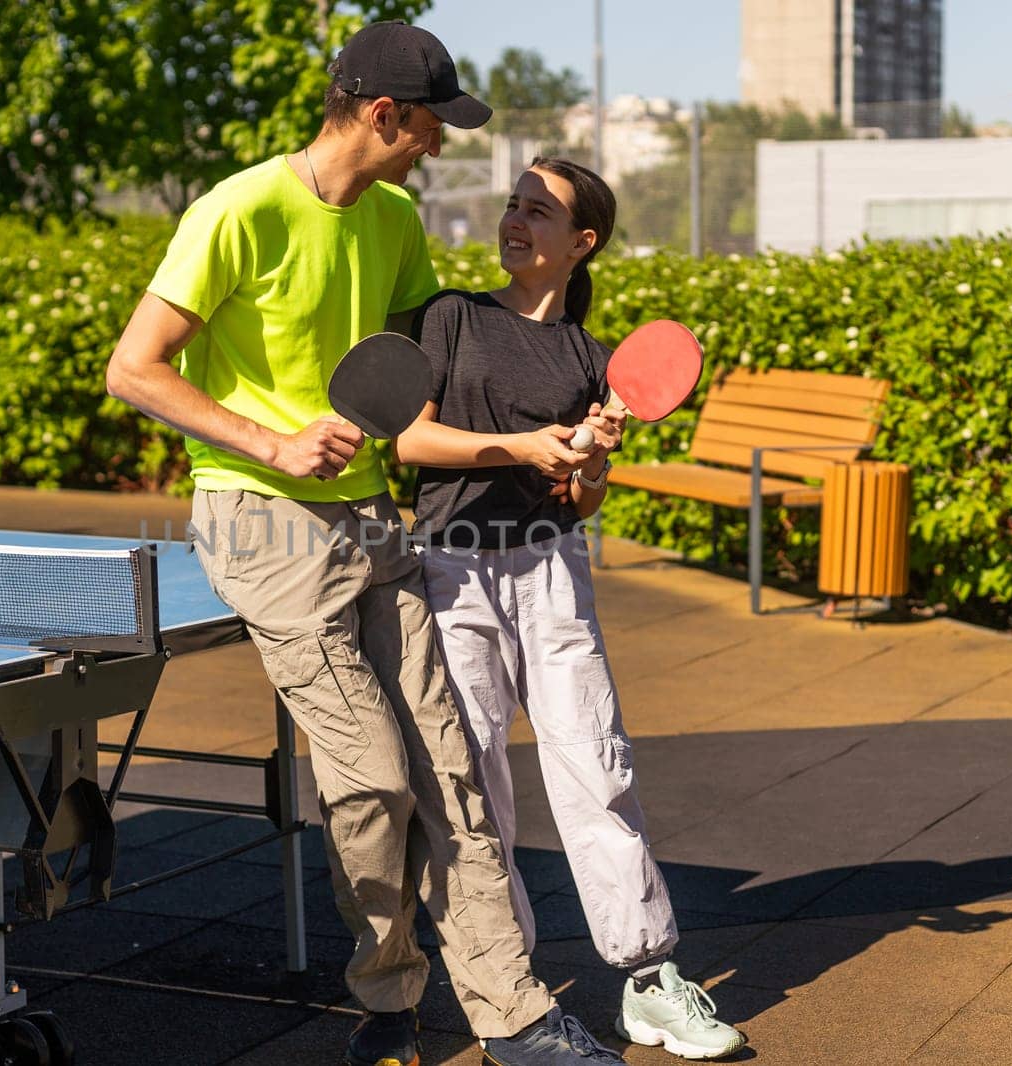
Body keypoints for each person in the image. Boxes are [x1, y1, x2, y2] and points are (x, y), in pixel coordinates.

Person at [107, 23, 623, 1066]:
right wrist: (270, 439)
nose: (440, 144)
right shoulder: (238, 209)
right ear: (384, 115)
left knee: (451, 773)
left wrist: (562, 430)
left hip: (371, 518)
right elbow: (134, 368)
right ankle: (386, 994)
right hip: (260, 520)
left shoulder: (392, 219)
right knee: (373, 779)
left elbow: (425, 377)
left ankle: (512, 1013)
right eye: (432, 123)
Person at [394, 158, 748, 1061]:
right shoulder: (452, 316)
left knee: (597, 764)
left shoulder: (589, 355)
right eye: (513, 204)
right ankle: (506, 978)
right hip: (452, 569)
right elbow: (409, 437)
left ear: (580, 242)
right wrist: (516, 443)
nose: (515, 220)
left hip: (551, 571)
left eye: (537, 212)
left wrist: (588, 462)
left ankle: (648, 978)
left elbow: (580, 500)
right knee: (471, 782)